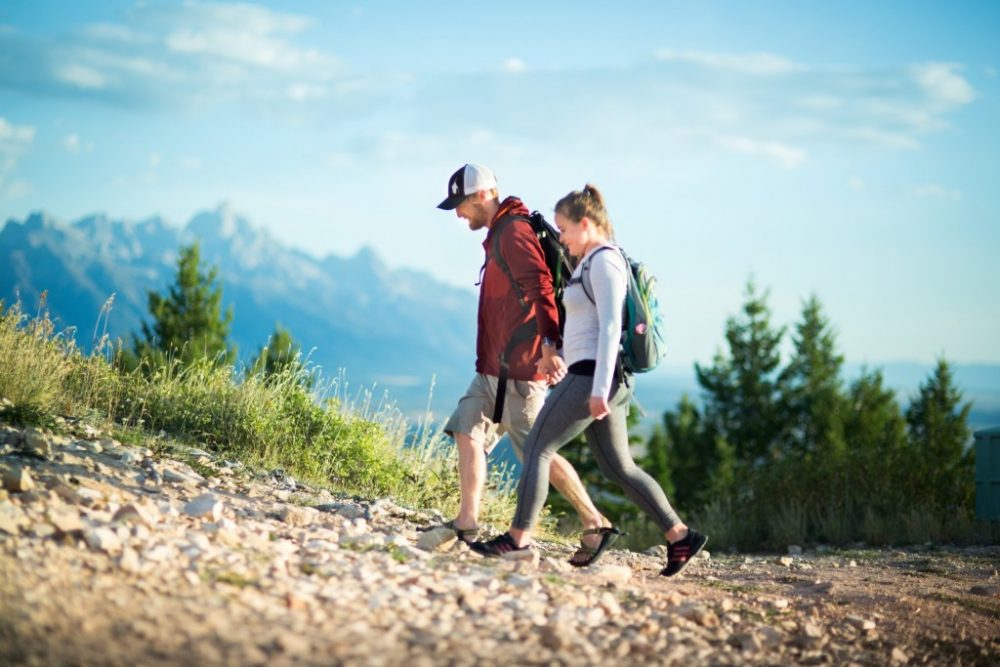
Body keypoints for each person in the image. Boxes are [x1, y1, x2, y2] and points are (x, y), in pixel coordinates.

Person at [470, 184, 708, 577]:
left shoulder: (605, 262)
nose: (560, 236)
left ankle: (517, 539)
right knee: (620, 467)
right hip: (593, 374)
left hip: (596, 378)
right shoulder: (588, 262)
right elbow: (587, 325)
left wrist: (599, 389)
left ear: (586, 223)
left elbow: (612, 326)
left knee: (538, 448)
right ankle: (680, 536)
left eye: (564, 228)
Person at [434, 164, 614, 566]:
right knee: (466, 427)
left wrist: (550, 345)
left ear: (483, 195)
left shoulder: (514, 232)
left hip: (522, 367)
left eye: (460, 204)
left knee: (536, 451)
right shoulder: (500, 232)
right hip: (493, 367)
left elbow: (540, 288)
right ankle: (467, 520)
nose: (458, 214)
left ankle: (594, 522)